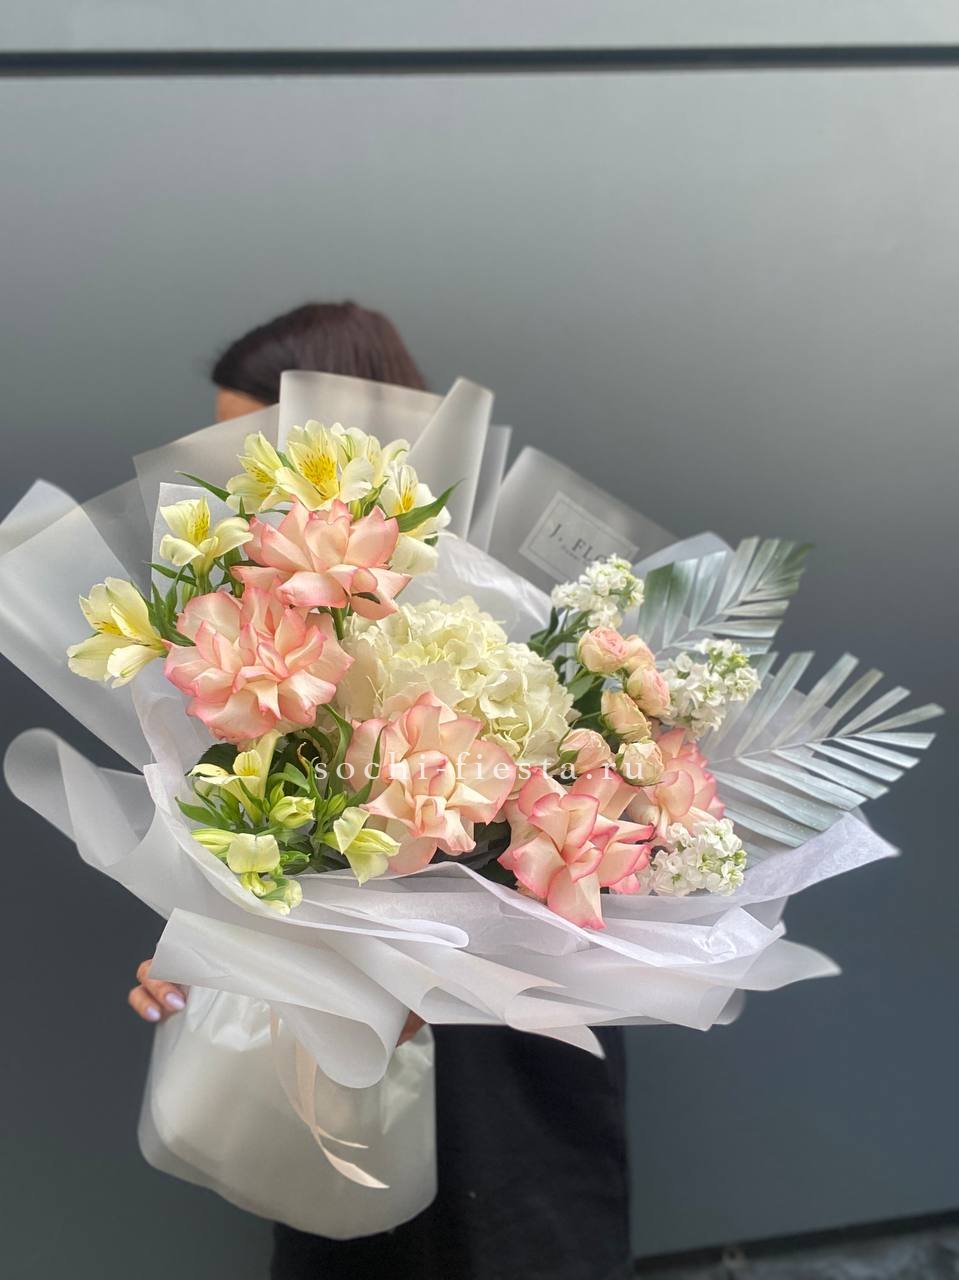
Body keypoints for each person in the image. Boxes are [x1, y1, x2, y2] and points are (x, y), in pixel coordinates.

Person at [129, 300, 633, 1280]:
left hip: (497, 1062)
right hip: (333, 1055)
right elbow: (263, 845)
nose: (237, 472)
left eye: (252, 438)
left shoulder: (510, 605)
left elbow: (591, 855)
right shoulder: (260, 623)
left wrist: (420, 974)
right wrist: (204, 947)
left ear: (336, 429)